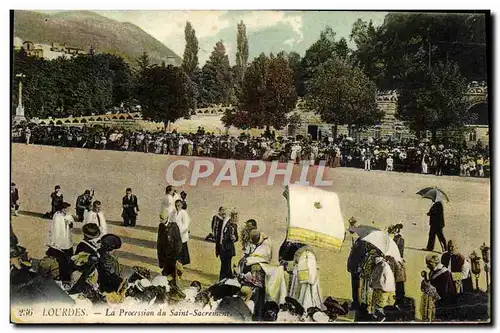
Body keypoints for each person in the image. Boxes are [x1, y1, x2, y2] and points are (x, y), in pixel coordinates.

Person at [284, 243, 323, 310]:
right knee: (310, 292)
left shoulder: (299, 252)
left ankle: (300, 306)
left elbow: (295, 263)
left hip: (301, 274)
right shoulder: (312, 252)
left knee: (300, 292)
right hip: (311, 275)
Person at [47, 202, 74, 286]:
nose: (68, 210)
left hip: (68, 242)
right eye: (66, 209)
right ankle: (63, 278)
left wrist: (70, 224)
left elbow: (71, 225)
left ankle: (68, 277)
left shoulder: (69, 216)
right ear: (62, 209)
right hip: (60, 243)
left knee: (69, 261)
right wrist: (55, 243)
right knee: (62, 261)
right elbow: (55, 230)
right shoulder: (57, 216)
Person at [157, 215, 182, 287]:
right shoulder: (161, 226)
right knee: (165, 276)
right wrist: (160, 260)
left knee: (173, 276)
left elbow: (178, 242)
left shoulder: (174, 226)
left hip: (173, 256)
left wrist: (177, 257)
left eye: (162, 218)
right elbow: (159, 243)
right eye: (160, 218)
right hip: (165, 256)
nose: (161, 220)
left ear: (167, 218)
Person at [214, 207, 239, 280]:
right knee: (225, 266)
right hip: (222, 247)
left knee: (226, 266)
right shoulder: (221, 222)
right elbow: (218, 235)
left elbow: (236, 237)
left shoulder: (233, 224)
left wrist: (234, 238)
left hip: (228, 248)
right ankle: (226, 280)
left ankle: (224, 280)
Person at [370, 255, 396, 319]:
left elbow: (373, 277)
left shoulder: (379, 266)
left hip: (381, 290)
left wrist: (371, 284)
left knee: (379, 308)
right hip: (390, 290)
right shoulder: (387, 266)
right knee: (387, 308)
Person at [347, 238, 369, 309]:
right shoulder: (359, 240)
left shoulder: (362, 243)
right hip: (354, 267)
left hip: (356, 268)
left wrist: (354, 249)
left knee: (356, 286)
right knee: (355, 286)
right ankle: (356, 302)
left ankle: (356, 303)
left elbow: (360, 257)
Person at [169, 199, 191, 266]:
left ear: (181, 205)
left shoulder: (184, 213)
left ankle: (183, 261)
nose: (177, 207)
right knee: (176, 247)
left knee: (182, 247)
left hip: (182, 232)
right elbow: (171, 220)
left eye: (179, 205)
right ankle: (177, 261)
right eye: (176, 205)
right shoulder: (174, 212)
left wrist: (180, 231)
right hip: (175, 232)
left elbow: (186, 223)